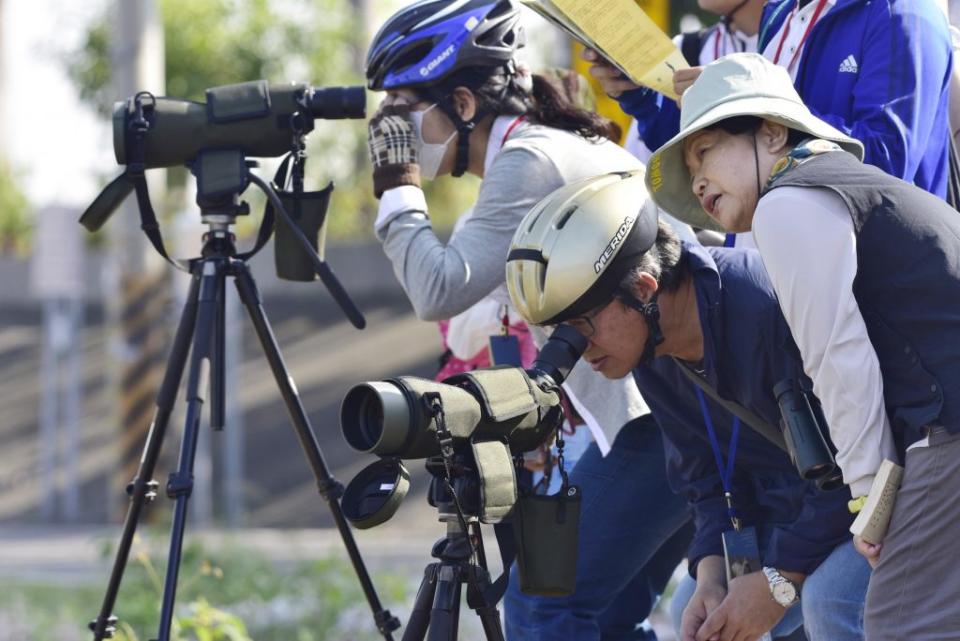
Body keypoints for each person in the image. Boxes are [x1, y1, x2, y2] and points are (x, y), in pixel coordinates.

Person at [364, 2, 692, 639]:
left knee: (546, 604)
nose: (392, 129)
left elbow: (437, 289)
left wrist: (397, 185)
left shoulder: (529, 162)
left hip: (661, 416)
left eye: (404, 111)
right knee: (605, 617)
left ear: (463, 103)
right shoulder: (547, 148)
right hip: (667, 410)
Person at [645, 51, 960, 640]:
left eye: (705, 151)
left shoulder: (789, 203)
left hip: (951, 429)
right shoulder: (841, 187)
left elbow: (839, 361)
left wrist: (871, 503)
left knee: (896, 622)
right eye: (690, 171)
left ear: (771, 132)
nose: (698, 180)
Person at [504, 170, 869, 641]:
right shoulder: (651, 347)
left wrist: (780, 581)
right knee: (693, 608)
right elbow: (704, 476)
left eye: (581, 325)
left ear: (642, 289)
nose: (580, 351)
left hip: (875, 499)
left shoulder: (763, 308)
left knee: (828, 601)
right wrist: (714, 572)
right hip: (796, 511)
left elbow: (856, 467)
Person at [589, 0, 953, 199]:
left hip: (865, 286)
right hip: (775, 266)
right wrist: (640, 96)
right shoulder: (782, 14)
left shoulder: (902, 11)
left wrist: (748, 101)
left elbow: (885, 165)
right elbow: (733, 148)